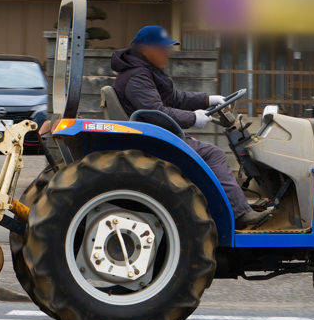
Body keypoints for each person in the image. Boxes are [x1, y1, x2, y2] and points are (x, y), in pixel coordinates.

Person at [111, 25, 270, 229]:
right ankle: (238, 213)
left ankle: (227, 208)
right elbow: (154, 113)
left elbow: (172, 98)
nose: (168, 53)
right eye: (163, 48)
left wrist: (206, 100)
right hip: (153, 141)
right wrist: (193, 119)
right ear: (145, 49)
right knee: (213, 154)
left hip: (155, 136)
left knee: (203, 150)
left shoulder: (145, 71)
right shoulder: (138, 76)